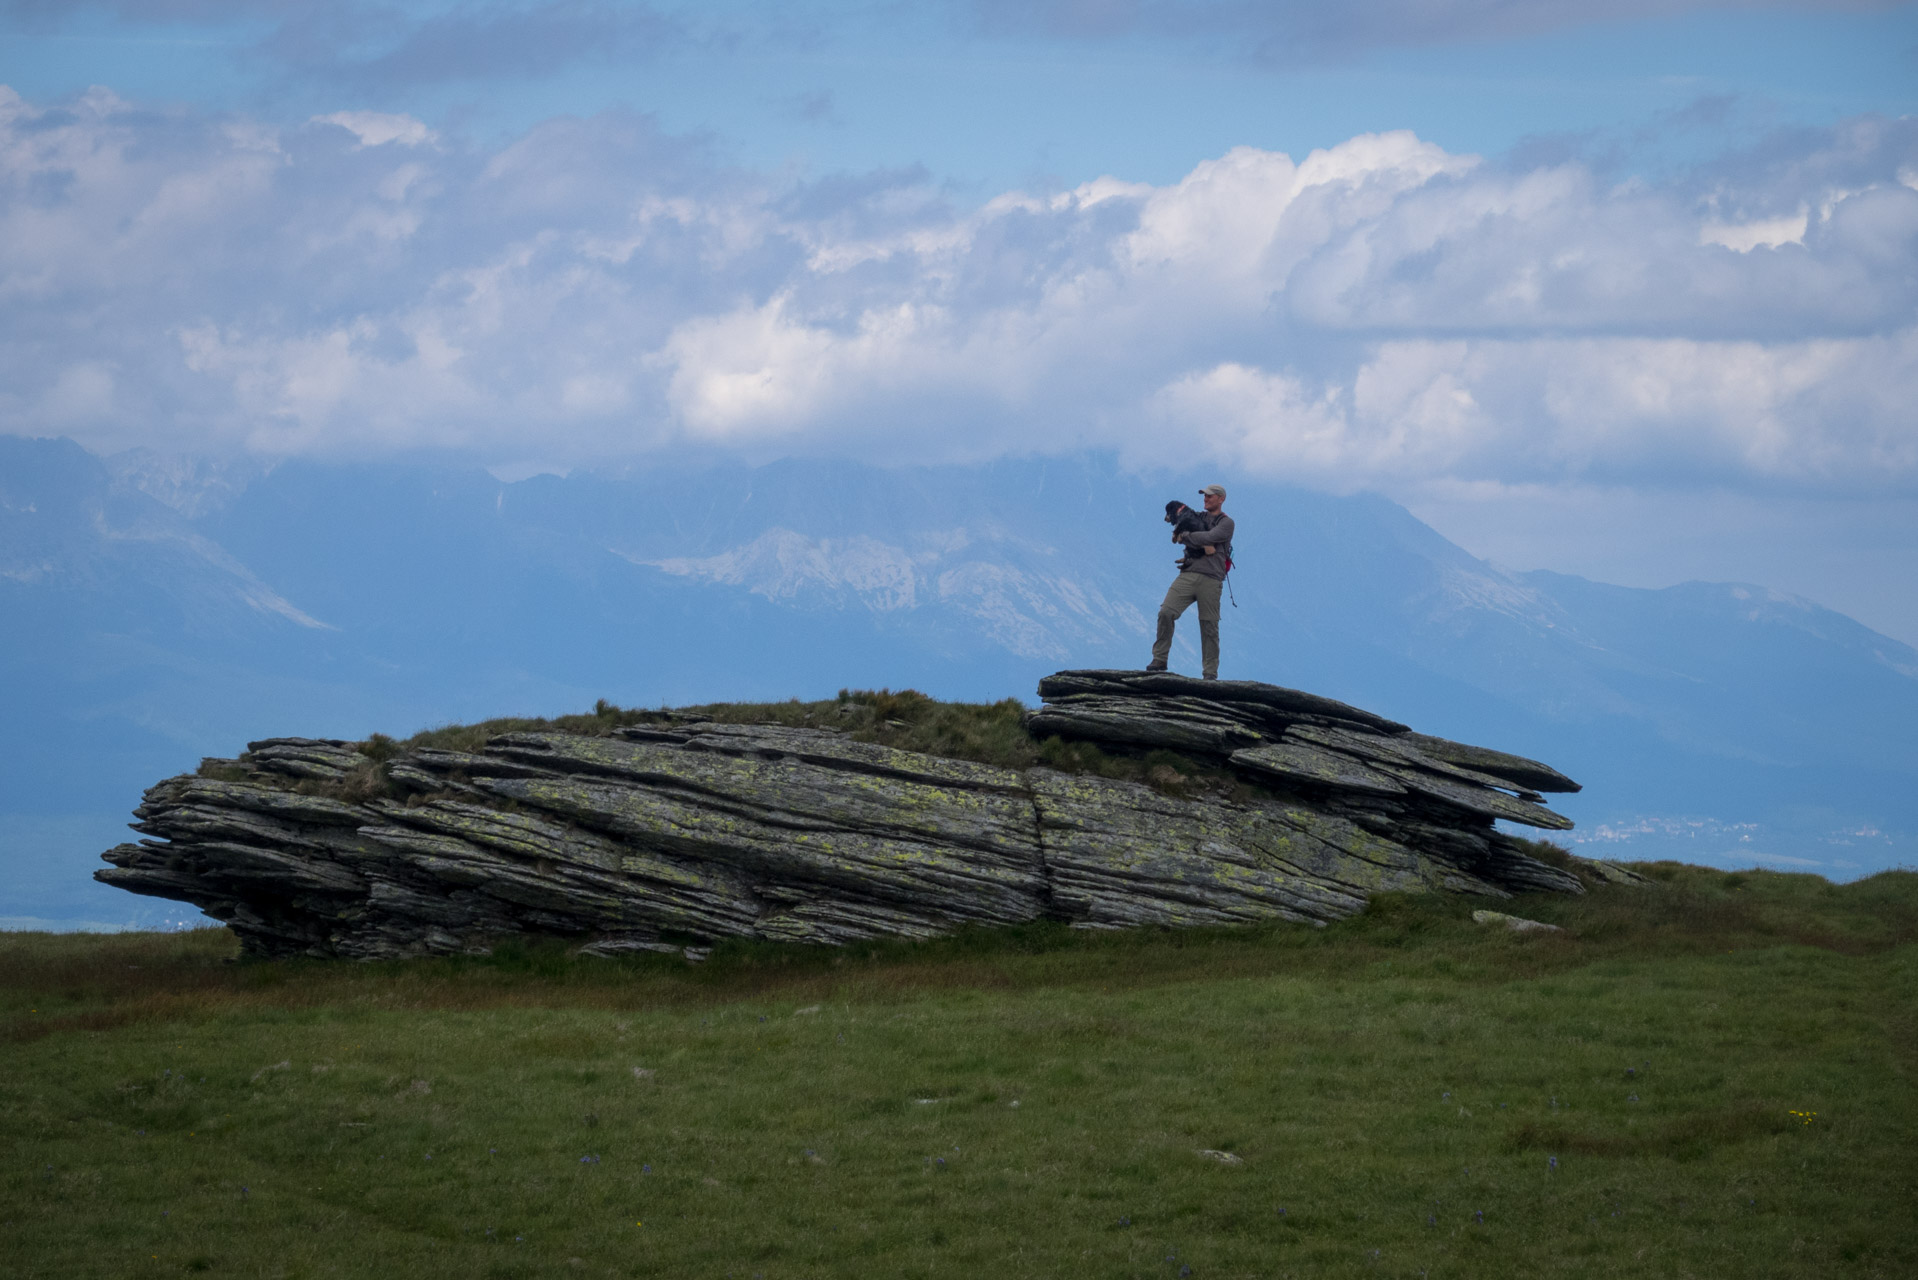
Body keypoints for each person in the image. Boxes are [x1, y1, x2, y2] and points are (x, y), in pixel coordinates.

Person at [1146, 483, 1234, 679]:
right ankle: (1159, 659)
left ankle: (1210, 673)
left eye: (1210, 496)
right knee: (1166, 612)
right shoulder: (1197, 516)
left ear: (1221, 499)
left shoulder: (1226, 523)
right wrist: (1198, 541)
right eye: (1204, 495)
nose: (1206, 499)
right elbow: (1193, 535)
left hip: (1211, 579)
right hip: (1188, 573)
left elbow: (1211, 536)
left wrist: (1186, 536)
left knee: (1209, 626)